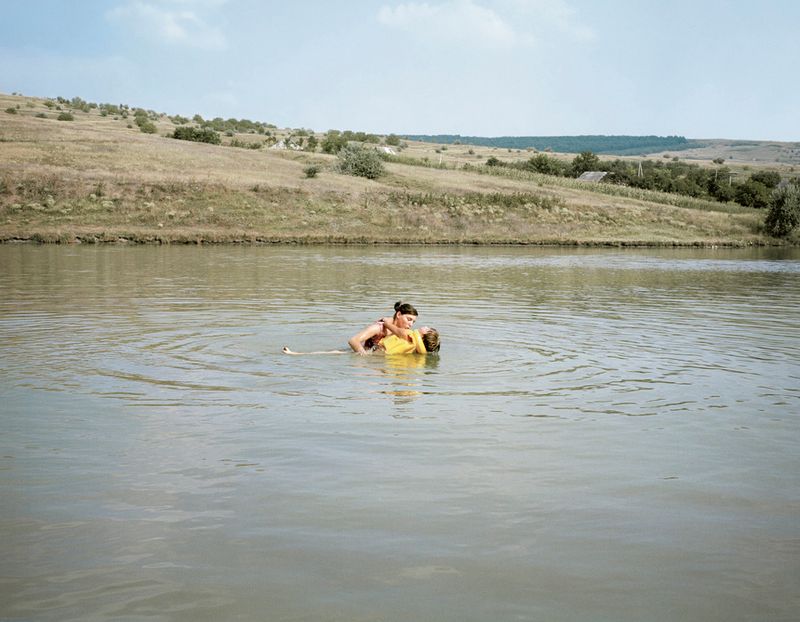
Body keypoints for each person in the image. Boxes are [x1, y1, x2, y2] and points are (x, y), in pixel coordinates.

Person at [348, 301, 419, 356]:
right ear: (399, 315)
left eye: (413, 322)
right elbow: (353, 341)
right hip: (370, 362)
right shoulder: (379, 327)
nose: (411, 324)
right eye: (409, 319)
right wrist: (366, 357)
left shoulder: (402, 331)